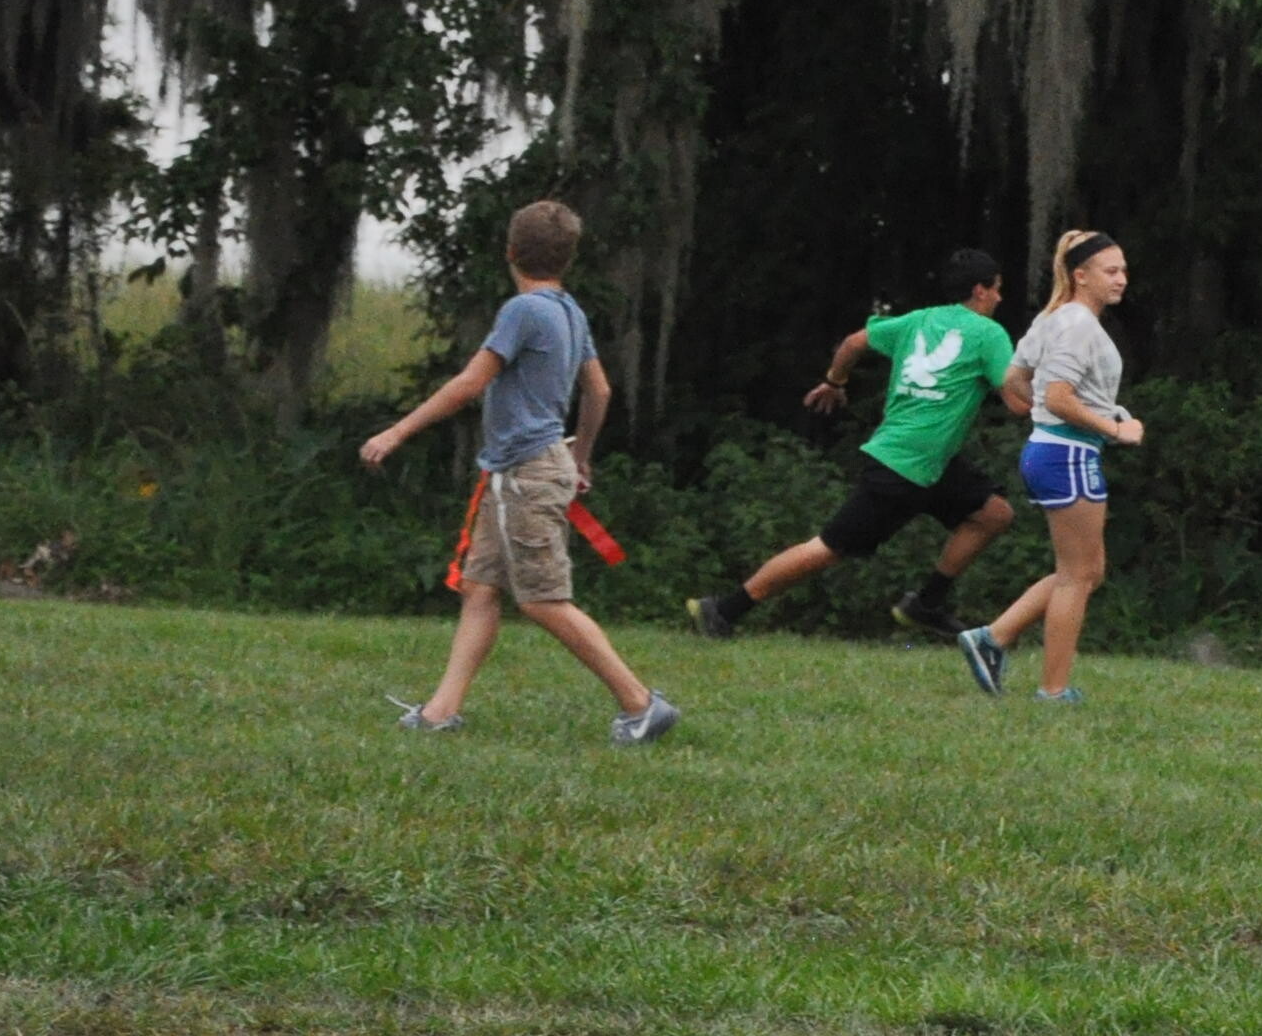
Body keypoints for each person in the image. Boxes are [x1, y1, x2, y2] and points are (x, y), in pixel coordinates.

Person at [360, 196, 678, 743]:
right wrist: (580, 456)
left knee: (541, 599)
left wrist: (396, 432)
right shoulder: (569, 311)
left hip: (525, 476)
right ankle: (439, 713)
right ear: (567, 258)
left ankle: (641, 704)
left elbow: (470, 382)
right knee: (480, 588)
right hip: (528, 468)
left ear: (510, 252)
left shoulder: (523, 311)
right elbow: (599, 390)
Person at [685, 249, 1018, 641]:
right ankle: (723, 609)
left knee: (994, 514)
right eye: (997, 289)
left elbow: (853, 342)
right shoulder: (989, 334)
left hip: (931, 461)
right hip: (902, 468)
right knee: (827, 548)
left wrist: (834, 381)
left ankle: (926, 603)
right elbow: (1017, 402)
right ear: (980, 290)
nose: (999, 297)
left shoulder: (919, 320)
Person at [958, 228, 1145, 704]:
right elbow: (1058, 397)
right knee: (1077, 576)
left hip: (1051, 450)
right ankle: (1053, 690)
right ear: (1080, 275)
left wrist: (1056, 413)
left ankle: (993, 638)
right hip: (1068, 454)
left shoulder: (1053, 317)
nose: (1121, 278)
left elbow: (1014, 378)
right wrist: (1113, 428)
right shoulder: (1078, 324)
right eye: (1111, 271)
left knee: (1086, 570)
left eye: (1123, 270)